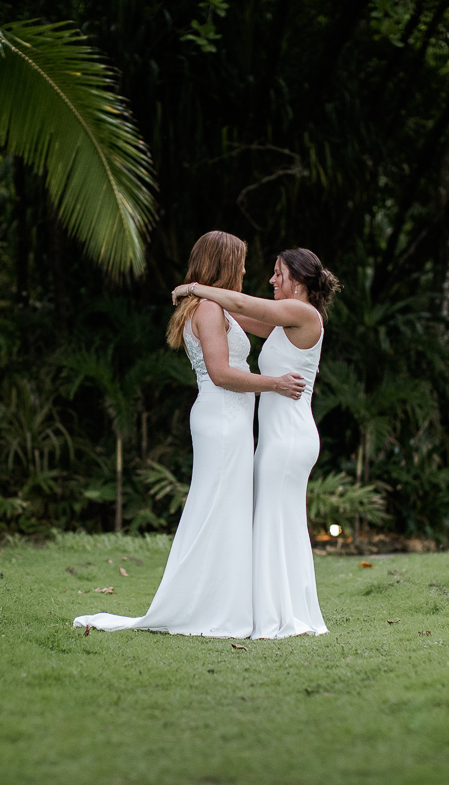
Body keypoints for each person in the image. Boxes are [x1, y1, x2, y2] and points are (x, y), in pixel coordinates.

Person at [73, 231, 305, 637]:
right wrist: (275, 383)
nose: (248, 270)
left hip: (227, 420)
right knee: (220, 506)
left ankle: (226, 603)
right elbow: (219, 373)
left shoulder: (215, 306)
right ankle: (210, 607)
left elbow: (271, 325)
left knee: (226, 507)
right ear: (225, 264)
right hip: (222, 419)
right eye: (242, 262)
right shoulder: (209, 311)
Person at [171, 248, 340, 638]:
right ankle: (278, 612)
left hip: (289, 438)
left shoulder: (303, 315)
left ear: (298, 280)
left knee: (276, 523)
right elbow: (238, 315)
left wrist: (196, 286)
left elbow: (242, 303)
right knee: (273, 522)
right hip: (277, 438)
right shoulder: (284, 325)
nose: (272, 280)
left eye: (279, 274)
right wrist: (202, 301)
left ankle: (283, 617)